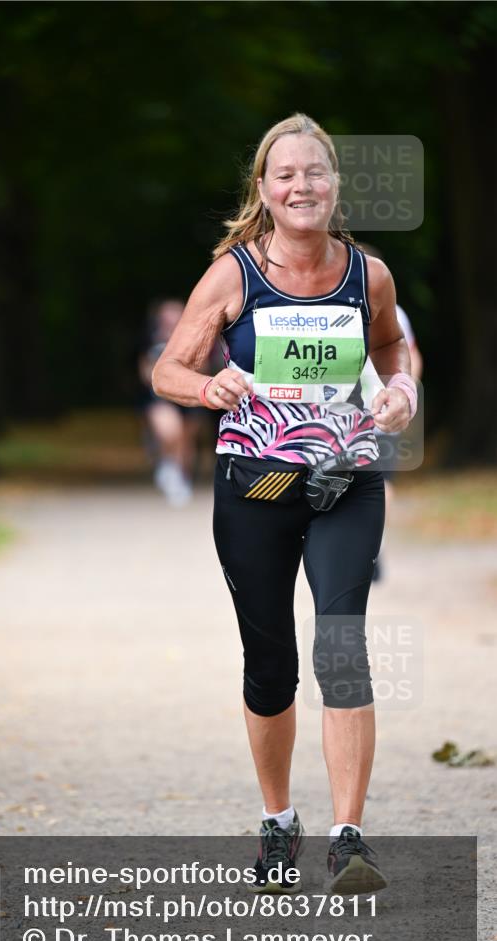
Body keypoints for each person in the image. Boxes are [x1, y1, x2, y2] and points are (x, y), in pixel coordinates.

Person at [152, 113, 417, 894]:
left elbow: (390, 346)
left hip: (345, 480)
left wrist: (400, 389)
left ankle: (348, 840)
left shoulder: (366, 274)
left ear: (334, 183)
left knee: (342, 647)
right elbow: (168, 370)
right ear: (263, 190)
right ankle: (278, 821)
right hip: (256, 489)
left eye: (314, 172)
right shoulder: (233, 275)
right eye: (285, 175)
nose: (302, 186)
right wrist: (207, 386)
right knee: (270, 666)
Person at [358, 244, 424, 582]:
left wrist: (403, 396)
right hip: (356, 414)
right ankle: (367, 546)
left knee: (379, 483)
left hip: (379, 412)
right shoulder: (395, 312)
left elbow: (410, 357)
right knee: (377, 483)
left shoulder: (392, 313)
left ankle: (371, 547)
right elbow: (414, 356)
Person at [138, 299, 205, 506]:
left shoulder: (195, 338)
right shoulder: (151, 340)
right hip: (160, 396)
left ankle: (181, 477)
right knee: (169, 432)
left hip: (188, 395)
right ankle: (167, 464)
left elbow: (202, 366)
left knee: (186, 439)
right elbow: (144, 369)